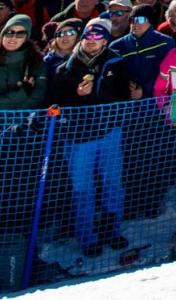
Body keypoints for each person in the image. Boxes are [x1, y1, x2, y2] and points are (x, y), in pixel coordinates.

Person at [44, 18, 132, 257]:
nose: (92, 42)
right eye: (88, 37)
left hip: (109, 133)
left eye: (98, 38)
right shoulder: (66, 69)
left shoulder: (115, 62)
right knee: (83, 189)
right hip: (78, 138)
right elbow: (55, 104)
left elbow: (122, 95)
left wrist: (131, 99)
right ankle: (87, 236)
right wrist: (79, 96)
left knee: (113, 185)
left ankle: (111, 230)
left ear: (105, 41)